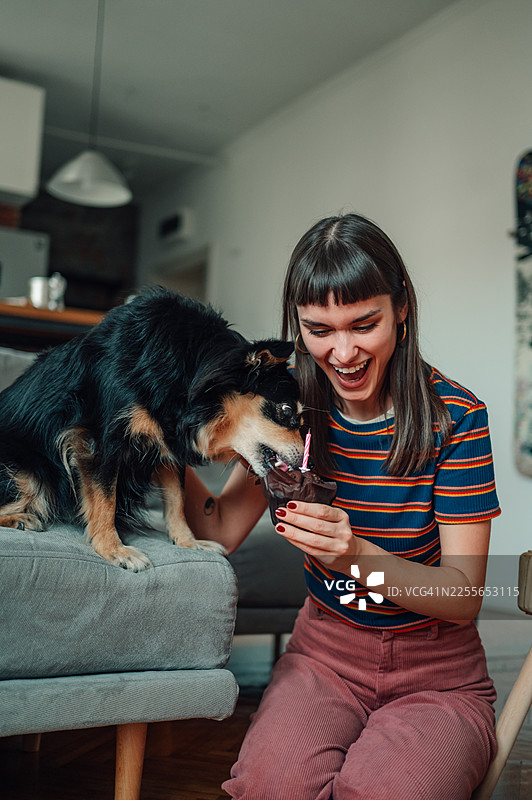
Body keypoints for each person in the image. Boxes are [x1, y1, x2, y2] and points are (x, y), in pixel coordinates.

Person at [184, 213, 501, 800]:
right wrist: (164, 449)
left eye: (364, 324)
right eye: (319, 329)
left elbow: (462, 596)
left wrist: (355, 554)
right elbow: (221, 527)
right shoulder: (287, 406)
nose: (343, 351)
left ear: (401, 308)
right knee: (266, 788)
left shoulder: (454, 419)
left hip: (437, 676)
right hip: (323, 657)